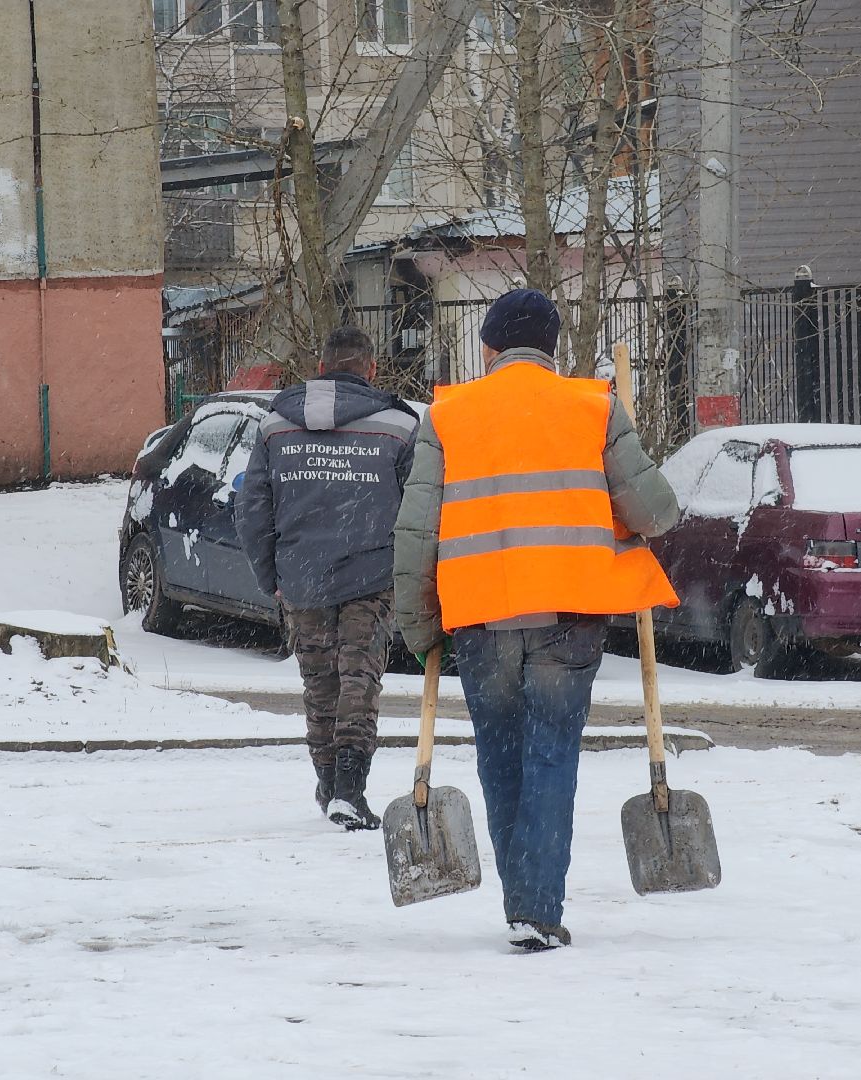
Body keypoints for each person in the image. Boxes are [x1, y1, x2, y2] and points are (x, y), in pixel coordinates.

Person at [393, 288, 680, 950]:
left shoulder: (448, 415)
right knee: (552, 754)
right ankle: (538, 907)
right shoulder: (594, 406)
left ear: (489, 348)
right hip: (569, 619)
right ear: (552, 349)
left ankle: (521, 903)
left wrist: (418, 626)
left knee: (501, 759)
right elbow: (658, 511)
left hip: (482, 622)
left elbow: (416, 531)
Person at [236, 326, 420, 830]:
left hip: (301, 576)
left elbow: (252, 507)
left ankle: (327, 786)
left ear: (320, 369)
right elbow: (418, 508)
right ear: (372, 369)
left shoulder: (276, 424)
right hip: (371, 573)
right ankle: (348, 789)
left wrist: (269, 572)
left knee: (319, 685)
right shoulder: (399, 426)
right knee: (359, 679)